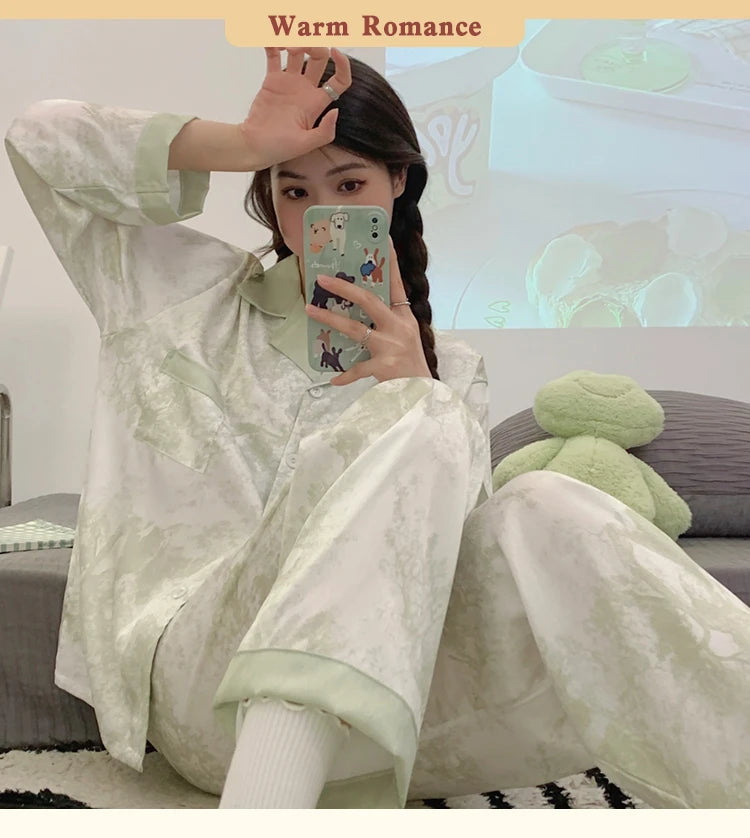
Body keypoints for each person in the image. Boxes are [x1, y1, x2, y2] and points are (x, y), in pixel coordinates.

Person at [5, 46, 750, 810]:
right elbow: (37, 138)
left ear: (398, 181)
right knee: (426, 418)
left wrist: (415, 388)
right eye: (294, 189)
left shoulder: (448, 371)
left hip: (385, 719)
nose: (320, 215)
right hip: (206, 691)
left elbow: (448, 587)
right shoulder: (180, 293)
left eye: (350, 185)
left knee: (546, 502)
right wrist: (244, 143)